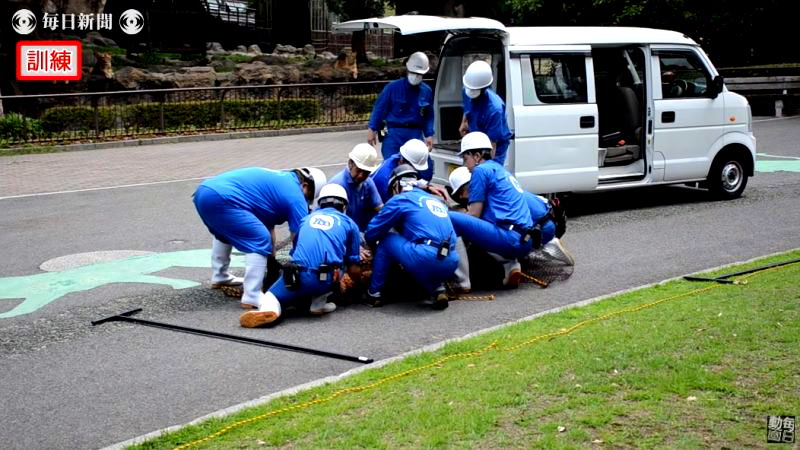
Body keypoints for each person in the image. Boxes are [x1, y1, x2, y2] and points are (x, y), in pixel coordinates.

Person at [193, 166, 326, 309]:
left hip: (205, 191)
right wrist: (304, 268)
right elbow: (300, 238)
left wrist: (271, 258)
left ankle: (220, 276)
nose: (306, 201)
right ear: (305, 185)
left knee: (229, 232)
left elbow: (267, 225)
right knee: (259, 238)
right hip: (224, 198)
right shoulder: (296, 197)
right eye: (309, 197)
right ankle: (252, 295)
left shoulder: (280, 180)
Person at [240, 184, 362, 328]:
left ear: (320, 203)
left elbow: (296, 251)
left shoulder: (306, 219)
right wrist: (358, 288)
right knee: (339, 264)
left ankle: (271, 310)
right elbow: (354, 267)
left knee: (271, 297)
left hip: (296, 276)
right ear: (344, 206)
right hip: (326, 278)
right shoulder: (349, 223)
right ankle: (318, 303)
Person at [364, 164, 459, 310]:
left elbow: (372, 231)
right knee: (422, 251)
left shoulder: (401, 199)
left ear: (396, 185)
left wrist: (370, 247)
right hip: (451, 260)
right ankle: (437, 289)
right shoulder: (434, 200)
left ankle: (374, 294)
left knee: (386, 240)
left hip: (425, 257)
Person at [448, 132, 532, 288]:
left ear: (477, 156)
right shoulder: (499, 169)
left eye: (465, 158)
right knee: (484, 223)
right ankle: (511, 265)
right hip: (526, 240)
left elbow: (474, 215)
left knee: (452, 219)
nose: (465, 165)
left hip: (510, 239)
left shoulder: (480, 171)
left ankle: (461, 282)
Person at [367, 52, 435, 159]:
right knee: (391, 167)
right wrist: (372, 129)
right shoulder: (392, 88)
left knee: (418, 169)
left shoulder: (426, 91)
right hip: (394, 134)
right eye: (413, 72)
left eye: (419, 74)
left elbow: (429, 116)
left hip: (415, 134)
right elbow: (379, 109)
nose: (416, 76)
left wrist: (429, 134)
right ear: (408, 70)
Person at [459, 60, 513, 166]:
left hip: (494, 145)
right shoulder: (466, 89)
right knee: (470, 171)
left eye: (475, 90)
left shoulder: (494, 109)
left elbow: (492, 144)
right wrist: (464, 123)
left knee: (487, 173)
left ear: (484, 88)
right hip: (475, 136)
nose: (471, 92)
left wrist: (486, 166)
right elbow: (467, 107)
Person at [328, 143, 383, 231]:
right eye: (359, 170)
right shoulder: (337, 186)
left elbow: (379, 208)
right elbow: (334, 222)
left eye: (366, 172)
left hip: (361, 230)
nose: (361, 175)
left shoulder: (368, 182)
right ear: (350, 163)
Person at [370, 138, 433, 203]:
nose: (414, 171)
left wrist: (427, 187)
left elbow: (409, 180)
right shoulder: (385, 179)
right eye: (413, 168)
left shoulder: (399, 158)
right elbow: (390, 208)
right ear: (401, 161)